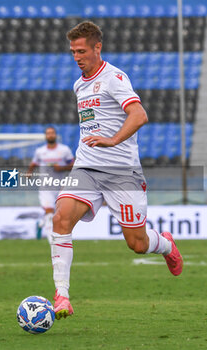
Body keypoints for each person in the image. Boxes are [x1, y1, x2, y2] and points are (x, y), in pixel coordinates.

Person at [50, 21, 183, 320]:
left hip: (122, 172)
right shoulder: (79, 85)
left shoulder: (114, 78)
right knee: (60, 218)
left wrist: (112, 140)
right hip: (86, 165)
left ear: (98, 47)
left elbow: (139, 115)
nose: (76, 57)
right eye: (72, 52)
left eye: (82, 51)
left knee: (137, 244)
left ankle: (165, 244)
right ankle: (62, 296)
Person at [28, 126, 74, 241]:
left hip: (60, 187)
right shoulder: (40, 151)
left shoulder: (64, 150)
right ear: (45, 136)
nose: (50, 135)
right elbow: (34, 163)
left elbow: (73, 166)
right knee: (49, 213)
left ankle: (41, 223)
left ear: (56, 135)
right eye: (48, 133)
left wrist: (62, 168)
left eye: (52, 133)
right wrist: (29, 173)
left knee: (58, 215)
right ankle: (52, 240)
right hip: (46, 187)